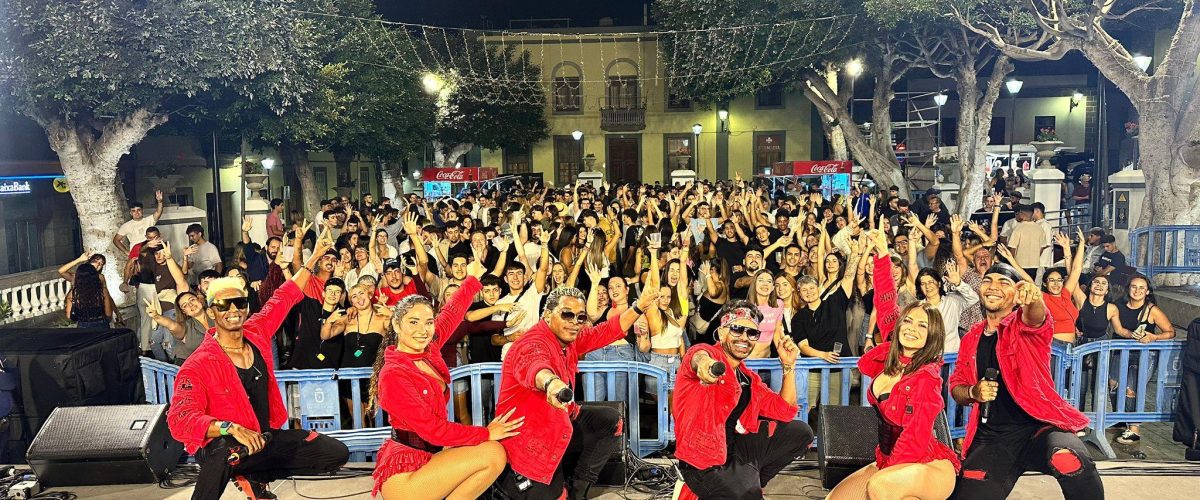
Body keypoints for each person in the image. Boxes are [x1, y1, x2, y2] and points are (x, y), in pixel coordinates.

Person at [166, 226, 349, 500]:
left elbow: (284, 296)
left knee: (334, 453)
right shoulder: (198, 363)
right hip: (223, 443)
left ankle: (253, 475)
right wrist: (229, 427)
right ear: (211, 310)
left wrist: (314, 258)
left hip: (263, 437)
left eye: (238, 303)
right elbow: (180, 418)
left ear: (246, 307)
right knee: (224, 451)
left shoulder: (257, 331)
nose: (233, 311)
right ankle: (236, 475)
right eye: (223, 305)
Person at [948, 264, 1102, 499]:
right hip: (993, 437)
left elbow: (1035, 317)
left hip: (1040, 427)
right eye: (988, 280)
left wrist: (1033, 299)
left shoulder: (1023, 324)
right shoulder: (970, 338)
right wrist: (973, 391)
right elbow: (956, 386)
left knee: (1069, 459)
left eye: (1004, 283)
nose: (994, 287)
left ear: (1017, 294)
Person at [493, 284, 660, 499]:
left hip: (558, 423)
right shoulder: (532, 342)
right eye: (567, 315)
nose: (574, 323)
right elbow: (534, 365)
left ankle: (579, 490)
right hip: (529, 442)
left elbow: (606, 331)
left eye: (580, 318)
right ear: (547, 315)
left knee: (610, 420)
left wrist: (639, 307)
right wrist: (551, 383)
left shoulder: (568, 340)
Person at [369, 271, 524, 499]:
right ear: (396, 324)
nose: (422, 331)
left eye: (428, 323)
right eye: (413, 322)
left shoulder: (428, 349)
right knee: (492, 453)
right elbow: (433, 430)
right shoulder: (393, 374)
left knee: (494, 453)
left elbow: (452, 312)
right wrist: (486, 432)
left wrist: (474, 279)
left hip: (430, 459)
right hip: (406, 477)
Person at [828, 230, 958, 500]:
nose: (911, 329)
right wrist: (882, 256)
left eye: (922, 326)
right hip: (889, 460)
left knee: (882, 489)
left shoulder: (925, 378)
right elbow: (885, 301)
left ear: (931, 337)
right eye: (908, 321)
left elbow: (915, 438)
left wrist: (885, 474)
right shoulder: (891, 353)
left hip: (925, 464)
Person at [672, 300, 813, 500]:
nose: (744, 338)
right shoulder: (708, 354)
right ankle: (738, 489)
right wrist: (705, 365)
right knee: (746, 493)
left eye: (752, 333)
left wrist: (788, 366)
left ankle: (751, 482)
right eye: (737, 329)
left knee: (801, 433)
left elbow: (785, 410)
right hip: (702, 464)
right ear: (722, 333)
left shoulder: (749, 379)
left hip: (736, 451)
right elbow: (697, 356)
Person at [1110, 274, 1176, 445]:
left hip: (1143, 356)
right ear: (1128, 289)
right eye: (1134, 287)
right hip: (1120, 351)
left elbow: (1170, 332)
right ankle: (1121, 418)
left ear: (1147, 291)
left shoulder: (1152, 310)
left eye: (1141, 288)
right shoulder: (1118, 306)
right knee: (1114, 384)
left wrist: (1154, 337)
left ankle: (1134, 429)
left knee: (1131, 387)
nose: (1137, 291)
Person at [64, 261, 113, 328]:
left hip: (83, 324)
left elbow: (69, 316)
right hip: (101, 323)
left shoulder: (74, 293)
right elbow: (108, 313)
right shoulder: (102, 291)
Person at [113, 191, 163, 256]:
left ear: (142, 211)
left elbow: (159, 212)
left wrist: (160, 202)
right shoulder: (126, 226)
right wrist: (126, 252)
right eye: (133, 211)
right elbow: (116, 240)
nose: (136, 213)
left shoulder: (149, 220)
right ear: (130, 213)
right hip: (136, 254)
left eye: (138, 210)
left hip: (150, 252)